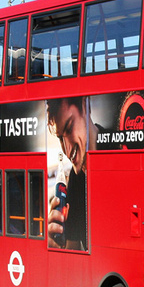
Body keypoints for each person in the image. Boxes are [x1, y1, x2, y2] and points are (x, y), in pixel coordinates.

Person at [46, 96, 97, 251]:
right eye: (61, 138)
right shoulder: (77, 176)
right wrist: (56, 243)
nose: (67, 150)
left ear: (85, 106)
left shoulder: (121, 151)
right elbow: (72, 248)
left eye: (69, 129)